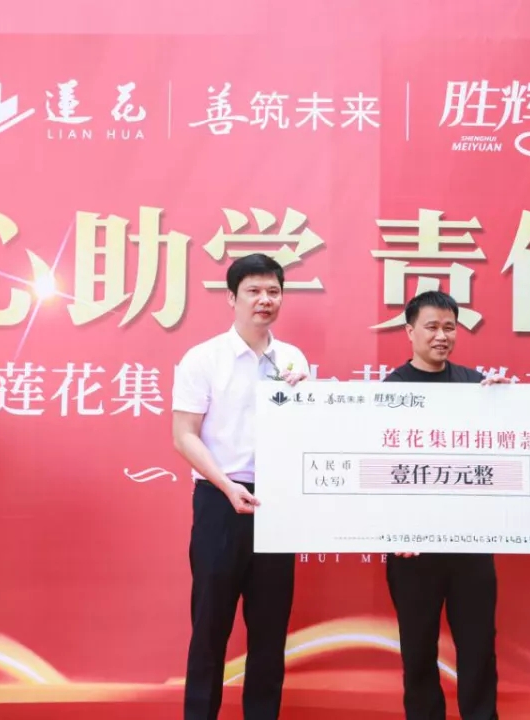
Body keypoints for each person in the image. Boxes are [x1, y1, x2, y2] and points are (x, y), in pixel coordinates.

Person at [171, 253, 310, 720]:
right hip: (219, 502)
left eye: (273, 291)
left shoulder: (292, 359)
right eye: (253, 291)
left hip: (277, 504)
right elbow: (184, 435)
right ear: (232, 298)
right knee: (210, 628)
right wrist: (227, 486)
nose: (264, 300)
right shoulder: (203, 358)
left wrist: (308, 399)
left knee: (270, 633)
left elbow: (306, 434)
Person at [383, 290, 512, 720]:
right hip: (413, 547)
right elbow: (381, 470)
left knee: (478, 647)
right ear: (409, 331)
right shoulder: (391, 391)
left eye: (449, 328)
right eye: (432, 327)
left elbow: (503, 450)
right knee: (418, 649)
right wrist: (395, 528)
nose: (442, 336)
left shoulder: (476, 385)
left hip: (470, 541)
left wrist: (507, 405)